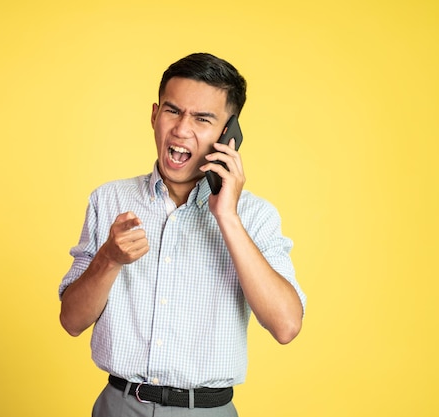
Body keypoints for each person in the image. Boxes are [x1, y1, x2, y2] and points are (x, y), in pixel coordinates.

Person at [59, 52, 306, 417]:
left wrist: (228, 217)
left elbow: (286, 325)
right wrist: (108, 259)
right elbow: (71, 321)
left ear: (227, 134)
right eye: (173, 111)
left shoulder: (255, 215)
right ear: (155, 115)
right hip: (119, 406)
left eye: (202, 119)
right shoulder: (108, 199)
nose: (181, 129)